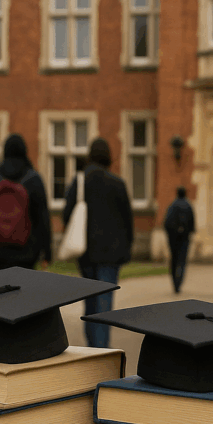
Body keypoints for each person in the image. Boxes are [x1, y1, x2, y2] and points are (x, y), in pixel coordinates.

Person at [62, 138, 133, 348]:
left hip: (87, 253)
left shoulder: (80, 181)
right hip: (111, 255)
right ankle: (101, 350)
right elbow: (128, 220)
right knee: (104, 305)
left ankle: (93, 347)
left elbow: (68, 214)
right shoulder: (118, 183)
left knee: (90, 303)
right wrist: (126, 248)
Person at [0, 134, 52, 272]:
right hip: (26, 252)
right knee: (25, 292)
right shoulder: (33, 179)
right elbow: (43, 218)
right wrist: (47, 252)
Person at [163, 187, 195, 294]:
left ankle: (174, 283)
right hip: (184, 238)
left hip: (173, 238)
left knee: (174, 259)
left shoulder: (172, 205)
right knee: (182, 260)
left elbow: (166, 222)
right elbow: (192, 224)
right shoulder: (188, 206)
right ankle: (179, 282)